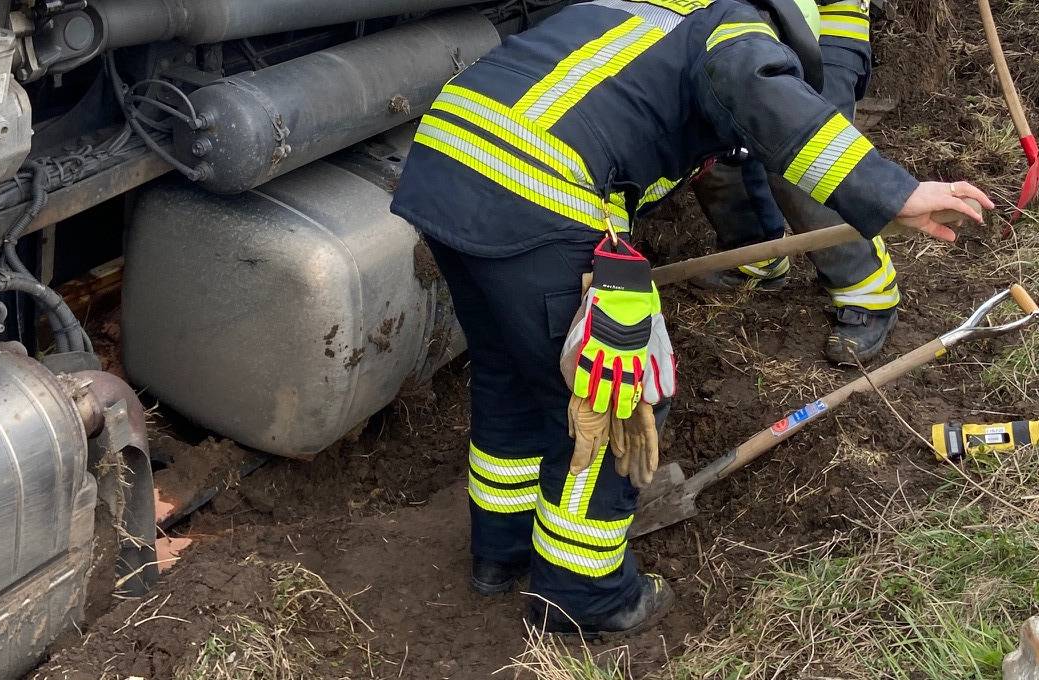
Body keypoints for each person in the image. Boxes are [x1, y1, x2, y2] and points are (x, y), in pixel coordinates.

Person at [389, 0, 991, 638]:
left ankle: (500, 552)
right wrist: (894, 193)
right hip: (536, 189)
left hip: (446, 164)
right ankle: (585, 596)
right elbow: (767, 102)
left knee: (511, 372)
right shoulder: (731, 27)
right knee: (614, 396)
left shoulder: (640, 18)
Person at [692, 0, 903, 365]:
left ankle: (868, 291)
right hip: (743, 25)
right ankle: (758, 254)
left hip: (829, 28)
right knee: (719, 139)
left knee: (805, 158)